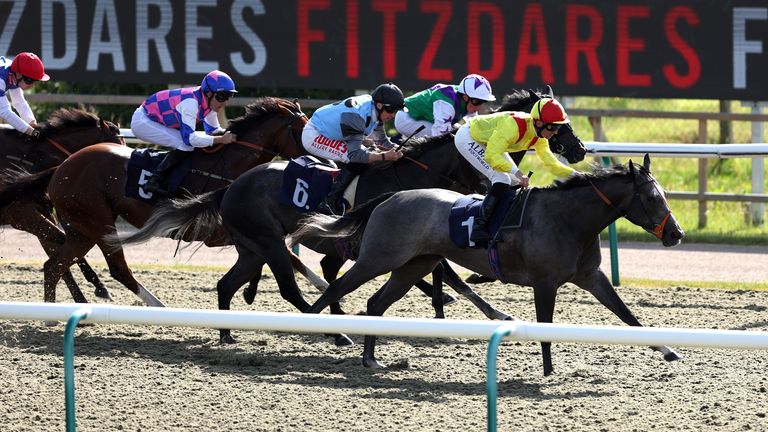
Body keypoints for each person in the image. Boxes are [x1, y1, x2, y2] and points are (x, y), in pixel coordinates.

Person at [454, 97, 578, 245]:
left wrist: (578, 176)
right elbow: (491, 155)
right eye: (553, 127)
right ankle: (479, 227)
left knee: (515, 181)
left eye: (558, 128)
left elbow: (552, 164)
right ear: (539, 123)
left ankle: (501, 222)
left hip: (489, 142)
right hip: (469, 137)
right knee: (502, 179)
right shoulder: (514, 126)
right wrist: (517, 171)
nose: (555, 133)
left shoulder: (539, 137)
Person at [302, 82, 406, 213]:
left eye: (396, 111)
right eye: (391, 110)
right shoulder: (356, 116)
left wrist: (400, 148)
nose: (393, 115)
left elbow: (382, 140)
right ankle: (328, 202)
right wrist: (385, 156)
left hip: (333, 133)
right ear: (379, 105)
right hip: (315, 134)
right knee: (358, 160)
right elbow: (355, 155)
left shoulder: (376, 109)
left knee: (369, 154)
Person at [131, 70, 238, 195]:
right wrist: (221, 139)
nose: (225, 102)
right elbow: (190, 139)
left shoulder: (209, 103)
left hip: (156, 120)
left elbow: (214, 131)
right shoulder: (191, 103)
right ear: (209, 93)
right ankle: (154, 181)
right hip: (143, 121)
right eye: (222, 97)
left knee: (191, 143)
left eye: (228, 97)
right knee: (185, 145)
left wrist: (235, 133)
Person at [394, 73, 495, 139]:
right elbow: (439, 135)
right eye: (477, 102)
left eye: (483, 102)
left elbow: (475, 126)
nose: (479, 107)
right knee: (448, 140)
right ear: (465, 97)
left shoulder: (467, 99)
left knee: (461, 133)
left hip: (424, 119)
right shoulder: (446, 104)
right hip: (406, 118)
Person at [0, 52, 50, 141]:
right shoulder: (2, 77)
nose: (32, 85)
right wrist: (34, 133)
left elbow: (19, 102)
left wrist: (33, 125)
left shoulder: (14, 73)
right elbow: (4, 111)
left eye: (35, 81)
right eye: (30, 81)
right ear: (19, 75)